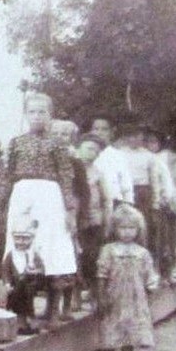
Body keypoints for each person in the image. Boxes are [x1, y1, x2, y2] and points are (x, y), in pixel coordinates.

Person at [2, 93, 77, 328]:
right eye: (32, 111)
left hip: (50, 198)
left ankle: (52, 310)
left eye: (42, 112)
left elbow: (66, 176)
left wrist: (69, 209)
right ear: (26, 114)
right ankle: (23, 312)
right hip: (23, 196)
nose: (37, 116)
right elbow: (7, 176)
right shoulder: (16, 142)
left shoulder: (57, 144)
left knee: (51, 250)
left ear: (50, 115)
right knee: (21, 248)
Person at [97, 203, 159, 351]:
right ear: (115, 228)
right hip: (114, 297)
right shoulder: (109, 250)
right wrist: (101, 297)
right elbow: (101, 275)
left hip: (135, 298)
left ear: (138, 229)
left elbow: (149, 275)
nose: (127, 232)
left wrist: (149, 293)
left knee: (131, 329)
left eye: (131, 228)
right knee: (111, 328)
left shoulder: (142, 253)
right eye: (122, 228)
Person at [50, 119, 88, 320]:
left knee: (70, 259)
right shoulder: (47, 159)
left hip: (69, 215)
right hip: (50, 214)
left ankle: (69, 302)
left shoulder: (75, 161)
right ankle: (52, 307)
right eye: (55, 133)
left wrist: (78, 216)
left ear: (71, 138)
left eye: (64, 134)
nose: (59, 137)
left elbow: (83, 191)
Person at [75, 133, 111, 310]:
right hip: (73, 221)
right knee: (74, 258)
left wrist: (106, 221)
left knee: (92, 257)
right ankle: (74, 296)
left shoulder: (97, 173)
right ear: (78, 148)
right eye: (89, 148)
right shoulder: (71, 169)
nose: (93, 153)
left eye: (97, 151)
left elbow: (106, 199)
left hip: (93, 221)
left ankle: (95, 294)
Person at [2, 218, 45, 335]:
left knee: (27, 298)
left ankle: (29, 319)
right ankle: (20, 322)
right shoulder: (11, 255)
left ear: (31, 239)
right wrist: (7, 283)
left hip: (29, 286)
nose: (21, 242)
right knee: (16, 299)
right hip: (15, 287)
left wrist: (35, 271)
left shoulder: (33, 255)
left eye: (25, 239)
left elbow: (42, 269)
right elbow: (6, 271)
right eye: (18, 238)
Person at [145, 128, 176, 282]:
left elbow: (167, 182)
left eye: (154, 142)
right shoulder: (143, 159)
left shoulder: (159, 161)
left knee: (163, 238)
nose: (151, 145)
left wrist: (167, 197)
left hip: (160, 203)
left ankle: (165, 271)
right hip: (146, 202)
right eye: (148, 142)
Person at [91, 116, 135, 208]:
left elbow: (126, 185)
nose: (99, 133)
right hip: (92, 204)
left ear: (111, 132)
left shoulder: (119, 155)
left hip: (115, 202)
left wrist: (128, 204)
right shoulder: (84, 155)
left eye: (104, 129)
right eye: (96, 129)